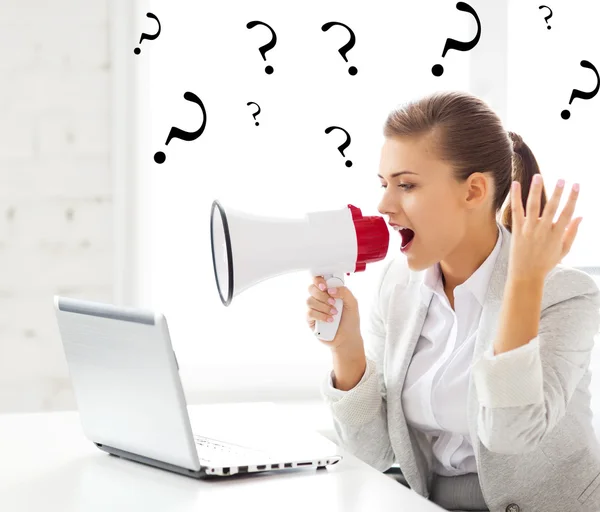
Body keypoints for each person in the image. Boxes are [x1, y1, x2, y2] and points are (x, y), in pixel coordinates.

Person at [307, 90, 600, 512]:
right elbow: (372, 454)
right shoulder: (398, 286)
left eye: (406, 185)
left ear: (474, 191)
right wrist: (345, 349)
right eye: (384, 184)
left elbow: (509, 434)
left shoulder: (563, 294)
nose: (384, 206)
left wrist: (525, 280)